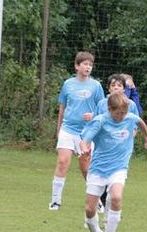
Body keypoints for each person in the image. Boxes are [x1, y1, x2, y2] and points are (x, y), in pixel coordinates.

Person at [79, 92, 147, 232]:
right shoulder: (100, 121)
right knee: (89, 209)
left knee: (116, 197)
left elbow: (140, 122)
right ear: (109, 109)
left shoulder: (130, 117)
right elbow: (84, 140)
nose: (121, 116)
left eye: (123, 113)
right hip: (98, 168)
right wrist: (85, 149)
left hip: (119, 167)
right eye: (118, 113)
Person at [49, 52, 105, 211]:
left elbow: (102, 109)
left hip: (87, 134)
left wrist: (93, 116)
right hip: (68, 129)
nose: (88, 67)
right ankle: (55, 201)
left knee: (86, 168)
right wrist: (59, 129)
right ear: (77, 66)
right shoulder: (68, 84)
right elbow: (62, 108)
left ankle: (97, 200)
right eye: (85, 64)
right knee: (62, 162)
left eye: (90, 65)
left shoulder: (96, 86)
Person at [95, 74, 140, 213]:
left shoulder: (130, 105)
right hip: (103, 147)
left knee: (116, 175)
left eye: (119, 85)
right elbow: (96, 123)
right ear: (108, 88)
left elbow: (136, 124)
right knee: (102, 174)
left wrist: (131, 134)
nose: (116, 88)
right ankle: (101, 201)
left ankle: (111, 202)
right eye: (113, 85)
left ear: (124, 89)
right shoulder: (102, 103)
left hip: (121, 148)